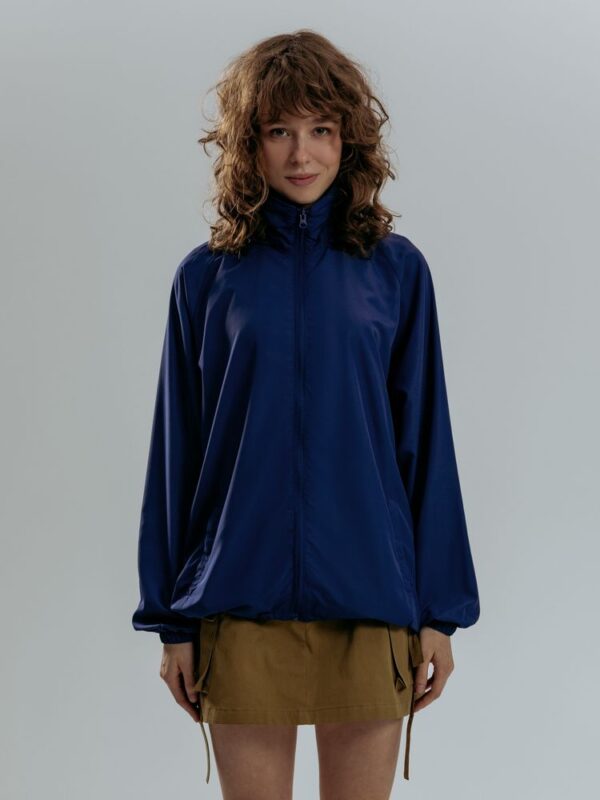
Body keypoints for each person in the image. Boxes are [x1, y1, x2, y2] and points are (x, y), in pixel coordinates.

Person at [132, 29, 480, 800]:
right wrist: (171, 622)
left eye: (321, 129)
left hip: (371, 603)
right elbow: (176, 454)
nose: (301, 154)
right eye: (279, 131)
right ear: (248, 143)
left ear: (348, 139)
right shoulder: (206, 279)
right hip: (238, 605)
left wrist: (439, 613)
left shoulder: (396, 271)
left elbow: (427, 442)